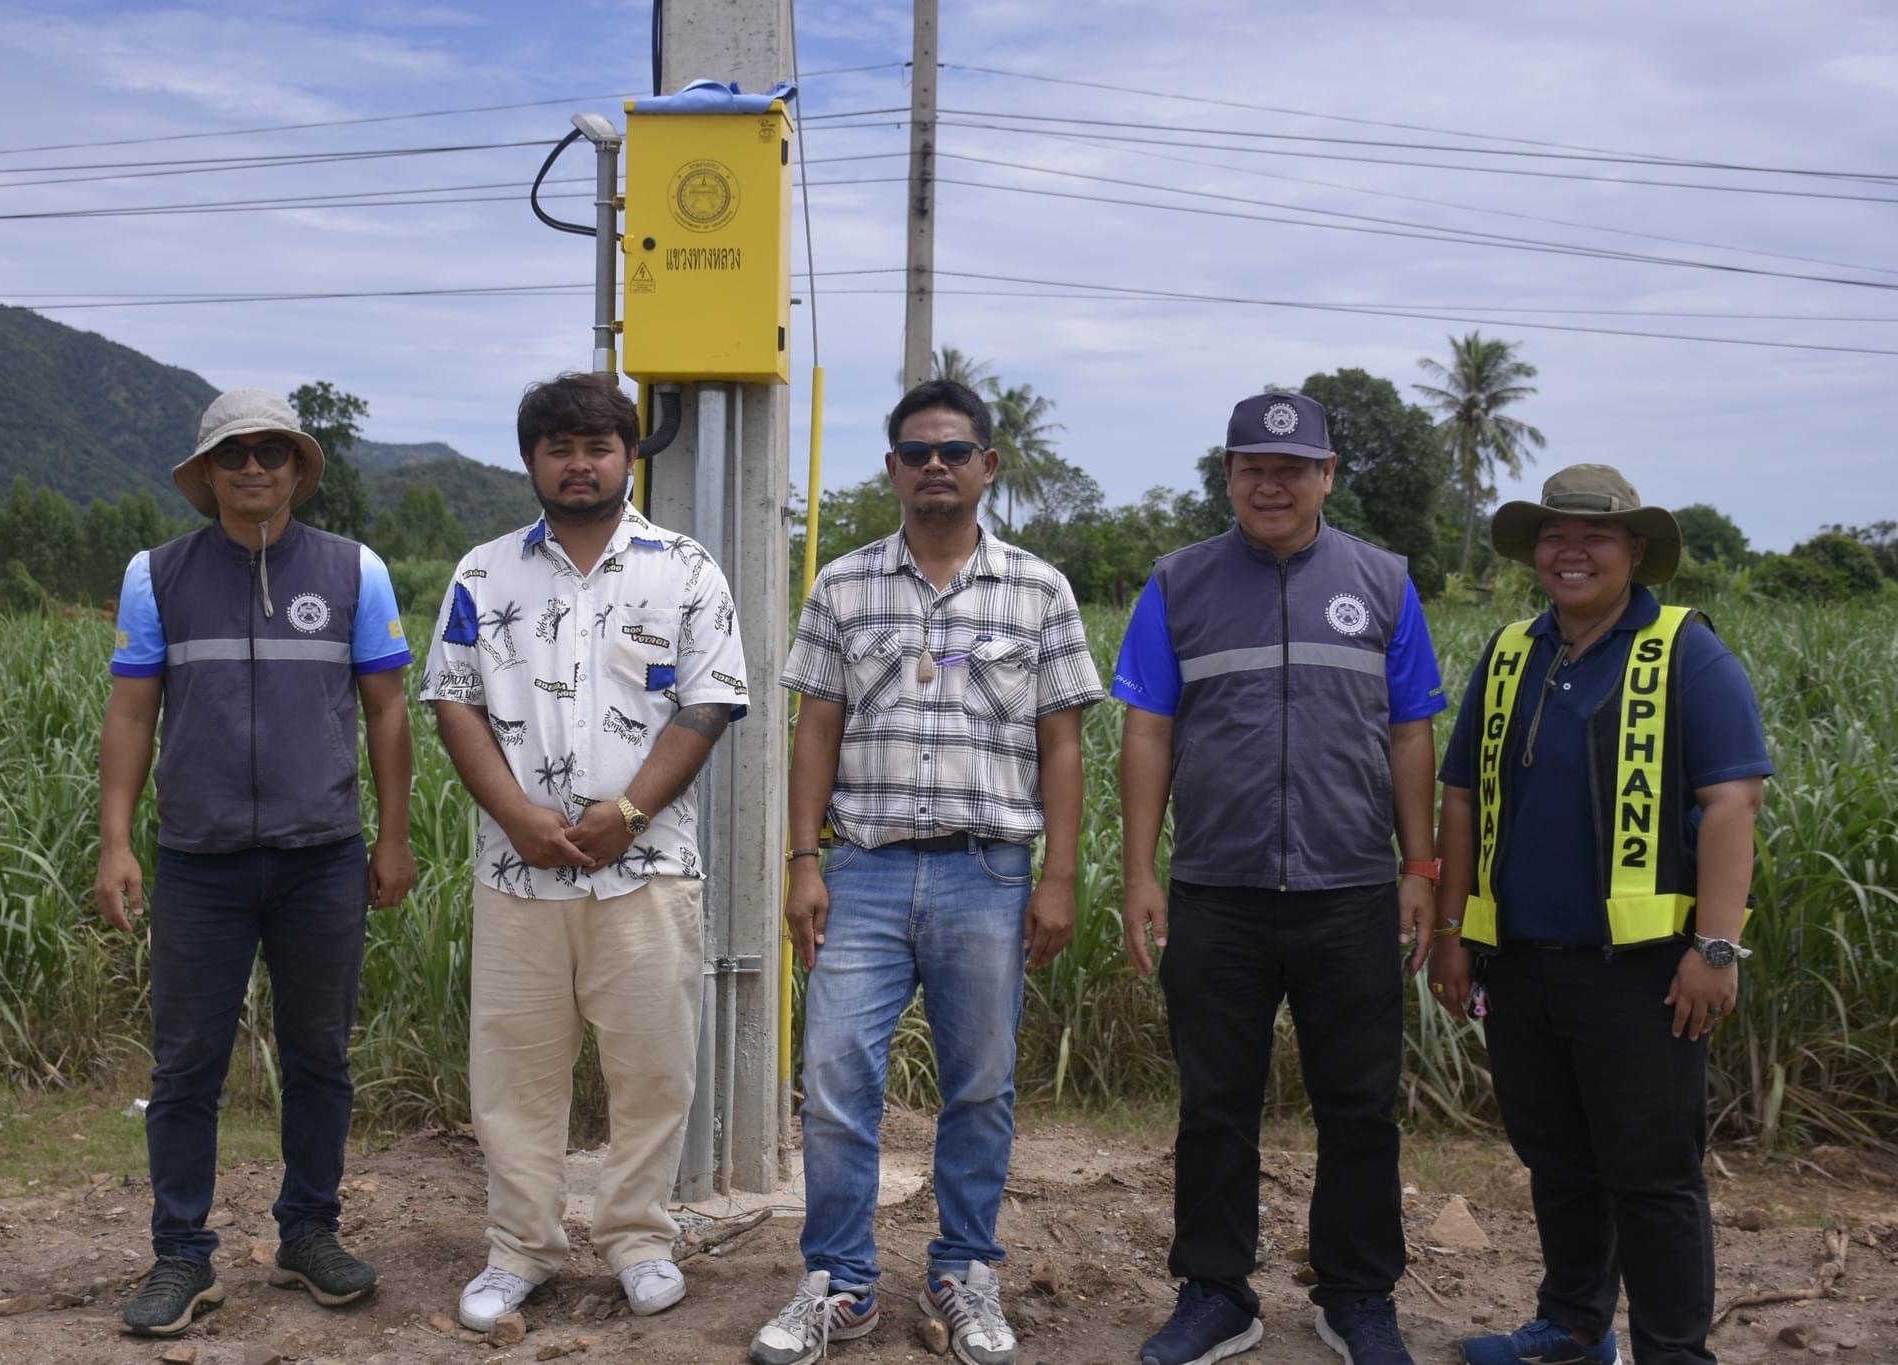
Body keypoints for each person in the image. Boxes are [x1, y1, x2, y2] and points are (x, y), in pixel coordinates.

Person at [752, 379, 1104, 1365]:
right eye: (916, 452)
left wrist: (1058, 876)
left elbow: (1062, 744)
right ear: (893, 469)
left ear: (987, 466)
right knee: (834, 1078)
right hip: (861, 871)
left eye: (954, 450)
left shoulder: (1038, 589)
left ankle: (963, 1271)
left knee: (980, 1085)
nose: (935, 465)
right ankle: (840, 1282)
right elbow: (814, 728)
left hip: (985, 874)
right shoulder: (843, 585)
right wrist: (804, 860)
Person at [1114, 391, 1446, 1365]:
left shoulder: (1383, 582)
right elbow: (1147, 731)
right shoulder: (1176, 583)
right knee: (1215, 1103)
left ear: (1327, 475)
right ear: (1227, 475)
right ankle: (1216, 1293)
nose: (1272, 484)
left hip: (1351, 890)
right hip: (1217, 889)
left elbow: (1411, 732)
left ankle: (1357, 1296)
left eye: (1292, 468)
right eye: (1253, 467)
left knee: (1359, 1105)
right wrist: (1140, 871)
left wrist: (1418, 866)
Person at [422, 373, 748, 1332]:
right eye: (559, 448)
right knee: (514, 1075)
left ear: (629, 455)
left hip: (648, 869)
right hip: (518, 870)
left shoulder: (686, 570)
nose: (579, 464)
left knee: (653, 1069)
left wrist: (632, 811)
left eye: (598, 447)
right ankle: (519, 1247)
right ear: (531, 459)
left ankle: (639, 1239)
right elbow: (455, 701)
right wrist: (517, 816)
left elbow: (708, 702)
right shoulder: (483, 573)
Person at [1430, 466, 1770, 1365]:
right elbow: (1460, 794)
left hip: (1645, 972)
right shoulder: (1512, 651)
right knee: (1557, 1159)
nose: (1570, 552)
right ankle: (1575, 1326)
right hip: (1520, 962)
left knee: (1654, 1176)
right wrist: (1453, 931)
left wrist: (1717, 946)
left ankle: (1674, 1352)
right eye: (1554, 535)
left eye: (1595, 537)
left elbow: (1732, 801)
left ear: (1635, 550)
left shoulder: (1686, 650)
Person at [96, 388, 416, 1337]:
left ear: (296, 467)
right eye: (233, 453)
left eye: (272, 451)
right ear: (207, 472)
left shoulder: (355, 571)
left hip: (323, 858)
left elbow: (388, 710)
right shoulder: (156, 575)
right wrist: (116, 840)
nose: (253, 468)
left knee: (320, 1054)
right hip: (199, 862)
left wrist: (392, 836)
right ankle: (182, 1254)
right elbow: (131, 712)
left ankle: (308, 1232)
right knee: (186, 1062)